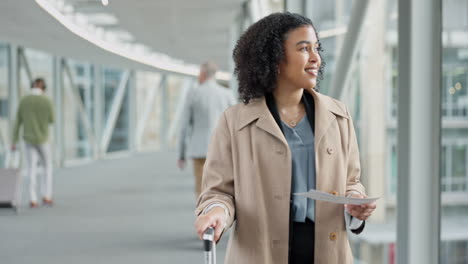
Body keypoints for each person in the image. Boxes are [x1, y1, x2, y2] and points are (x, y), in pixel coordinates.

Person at [194, 12, 377, 264]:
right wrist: (217, 212)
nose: (315, 58)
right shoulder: (234, 122)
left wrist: (356, 204)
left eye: (316, 49)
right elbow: (219, 192)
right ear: (275, 59)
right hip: (261, 252)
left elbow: (351, 182)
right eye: (304, 49)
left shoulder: (339, 115)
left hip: (327, 251)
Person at [177, 61, 236, 200]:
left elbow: (184, 126)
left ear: (203, 74)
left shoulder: (193, 94)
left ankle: (204, 215)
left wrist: (181, 154)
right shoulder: (226, 94)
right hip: (222, 149)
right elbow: (236, 122)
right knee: (220, 185)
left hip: (199, 149)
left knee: (201, 186)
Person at [12, 78, 55, 208]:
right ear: (44, 88)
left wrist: (14, 140)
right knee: (47, 167)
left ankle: (33, 198)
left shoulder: (24, 101)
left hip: (28, 139)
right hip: (43, 139)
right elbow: (52, 120)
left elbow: (17, 122)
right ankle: (46, 196)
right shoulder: (47, 101)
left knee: (31, 169)